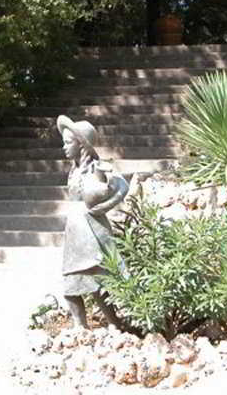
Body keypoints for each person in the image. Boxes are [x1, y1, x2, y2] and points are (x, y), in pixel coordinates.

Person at [56, 114, 127, 329]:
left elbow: (118, 186)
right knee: (72, 283)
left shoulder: (95, 169)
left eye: (68, 143)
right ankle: (80, 327)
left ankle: (114, 323)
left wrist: (104, 200)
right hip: (76, 230)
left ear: (81, 145)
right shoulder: (75, 170)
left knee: (99, 282)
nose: (64, 147)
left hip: (92, 229)